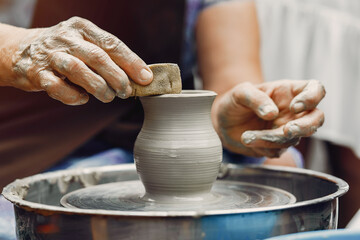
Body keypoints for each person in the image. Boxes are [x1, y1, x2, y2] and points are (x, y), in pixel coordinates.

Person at [0, 0, 325, 189]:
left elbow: (231, 77)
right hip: (19, 155)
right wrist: (14, 51)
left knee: (279, 169)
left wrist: (239, 113)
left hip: (142, 146)